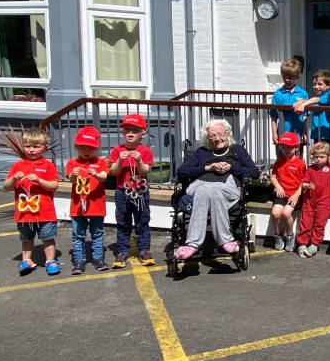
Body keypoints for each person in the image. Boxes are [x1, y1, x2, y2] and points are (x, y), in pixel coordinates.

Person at [174, 119, 259, 260]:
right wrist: (208, 167)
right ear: (207, 138)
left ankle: (192, 243)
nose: (217, 138)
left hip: (229, 187)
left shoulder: (237, 150)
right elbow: (182, 171)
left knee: (212, 190)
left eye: (220, 134)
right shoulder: (202, 152)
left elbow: (254, 172)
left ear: (227, 134)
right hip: (200, 185)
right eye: (212, 136)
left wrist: (231, 168)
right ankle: (225, 240)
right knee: (208, 190)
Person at [3, 127, 60, 276]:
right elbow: (6, 187)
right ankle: (26, 260)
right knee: (26, 238)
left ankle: (50, 261)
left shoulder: (48, 165)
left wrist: (39, 180)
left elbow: (54, 185)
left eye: (36, 146)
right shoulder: (18, 166)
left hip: (45, 212)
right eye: (28, 146)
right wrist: (14, 178)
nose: (31, 150)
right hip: (24, 213)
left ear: (45, 148)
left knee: (47, 238)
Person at [109, 114, 154, 268]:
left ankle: (144, 250)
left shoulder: (145, 150)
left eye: (135, 130)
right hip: (122, 190)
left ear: (142, 134)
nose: (130, 132)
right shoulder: (117, 150)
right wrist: (120, 161)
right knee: (123, 221)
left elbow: (144, 172)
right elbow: (114, 172)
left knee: (142, 220)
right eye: (127, 129)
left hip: (139, 189)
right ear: (122, 132)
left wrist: (140, 160)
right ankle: (122, 251)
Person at [66, 126, 110, 274]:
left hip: (96, 206)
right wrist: (73, 174)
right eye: (82, 148)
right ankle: (79, 259)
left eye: (90, 148)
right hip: (78, 206)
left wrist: (96, 174)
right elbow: (71, 180)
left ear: (96, 149)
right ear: (76, 147)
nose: (86, 152)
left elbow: (104, 177)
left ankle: (98, 257)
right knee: (78, 234)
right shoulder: (72, 162)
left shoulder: (100, 162)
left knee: (97, 233)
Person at [297, 142, 330, 258]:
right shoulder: (311, 169)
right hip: (309, 200)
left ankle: (315, 244)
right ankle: (302, 243)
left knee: (319, 223)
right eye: (316, 157)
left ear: (328, 156)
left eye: (321, 157)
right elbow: (303, 182)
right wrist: (307, 186)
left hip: (324, 201)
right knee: (306, 222)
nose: (318, 159)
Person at [269, 131, 305, 253]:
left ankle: (290, 235)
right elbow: (273, 176)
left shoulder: (300, 164)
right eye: (283, 147)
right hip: (282, 194)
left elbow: (303, 183)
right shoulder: (279, 162)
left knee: (286, 213)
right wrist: (278, 186)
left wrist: (296, 195)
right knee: (275, 213)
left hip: (294, 195)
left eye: (289, 147)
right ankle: (278, 234)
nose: (286, 150)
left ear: (296, 147)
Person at [270, 58, 308, 145]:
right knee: (282, 156)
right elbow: (273, 116)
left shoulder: (303, 93)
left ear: (297, 77)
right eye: (284, 77)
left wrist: (305, 132)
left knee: (298, 157)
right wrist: (274, 133)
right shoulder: (278, 94)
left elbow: (305, 116)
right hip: (283, 133)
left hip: (298, 132)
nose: (287, 80)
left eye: (290, 77)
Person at [306, 69, 330, 146]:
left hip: (326, 132)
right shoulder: (317, 98)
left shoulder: (329, 95)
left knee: (325, 155)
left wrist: (303, 104)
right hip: (316, 132)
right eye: (314, 84)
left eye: (320, 84)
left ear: (328, 85)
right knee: (317, 154)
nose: (316, 86)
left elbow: (317, 99)